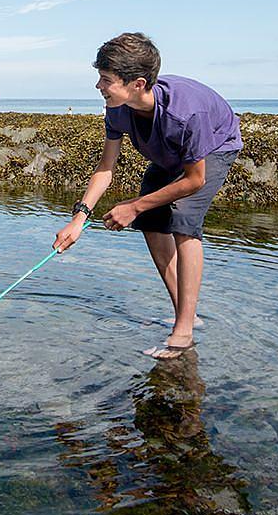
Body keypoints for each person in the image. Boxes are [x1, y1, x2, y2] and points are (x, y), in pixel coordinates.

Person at [53, 33, 242, 359]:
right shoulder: (117, 107)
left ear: (137, 83)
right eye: (99, 77)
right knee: (153, 222)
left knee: (183, 221)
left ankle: (183, 333)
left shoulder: (187, 115)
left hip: (214, 147)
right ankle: (187, 313)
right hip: (170, 154)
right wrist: (78, 220)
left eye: (106, 80)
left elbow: (195, 180)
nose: (99, 86)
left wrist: (134, 206)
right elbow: (106, 167)